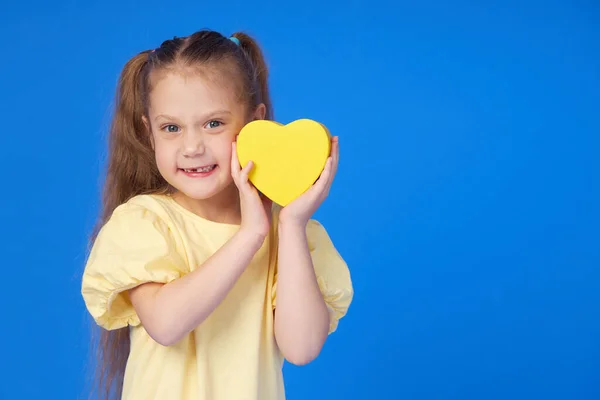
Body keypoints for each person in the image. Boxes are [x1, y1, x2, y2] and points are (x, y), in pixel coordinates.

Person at [81, 29, 353, 400]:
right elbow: (166, 323)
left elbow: (302, 347)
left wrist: (289, 225)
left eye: (214, 124)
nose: (192, 147)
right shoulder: (145, 223)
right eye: (171, 128)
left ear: (256, 124)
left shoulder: (290, 238)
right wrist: (249, 235)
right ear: (149, 132)